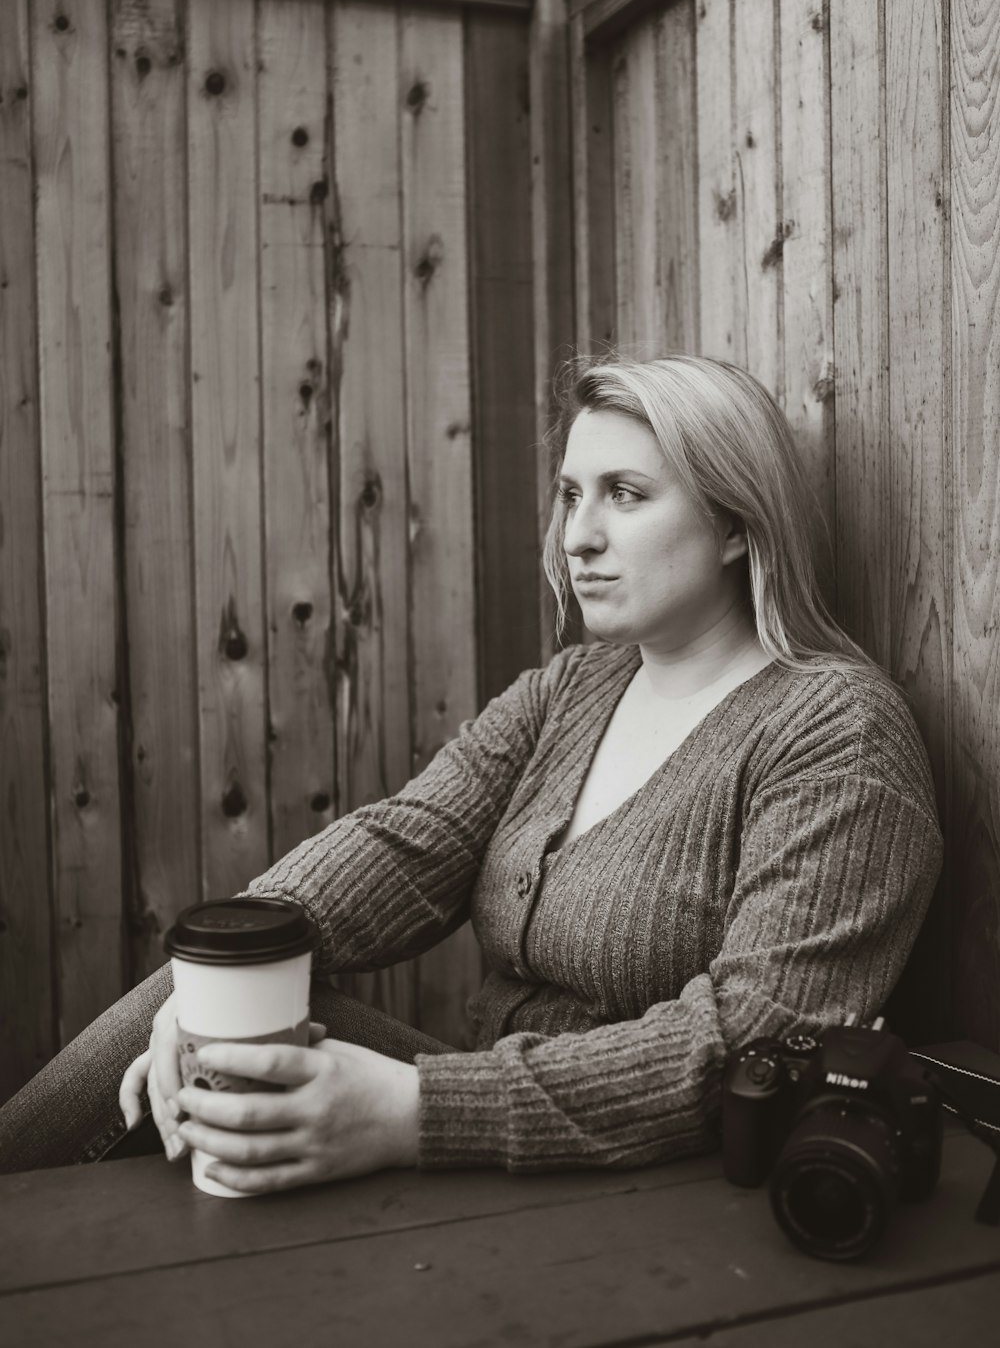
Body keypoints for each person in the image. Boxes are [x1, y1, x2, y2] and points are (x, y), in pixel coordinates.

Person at [0, 354, 943, 1192]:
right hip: (487, 1133)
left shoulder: (838, 734)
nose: (578, 537)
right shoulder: (574, 689)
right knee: (191, 1009)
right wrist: (227, 975)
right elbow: (407, 843)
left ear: (738, 524)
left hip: (665, 1179)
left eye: (625, 493)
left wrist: (414, 1109)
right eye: (571, 494)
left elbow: (750, 1039)